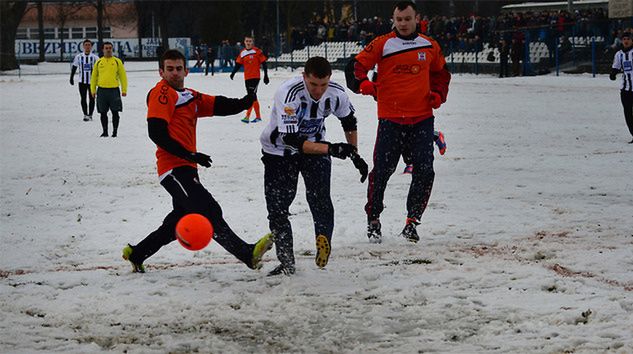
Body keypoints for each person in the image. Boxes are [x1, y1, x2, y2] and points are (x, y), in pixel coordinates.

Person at [122, 49, 274, 273]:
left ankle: (136, 253)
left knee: (177, 222)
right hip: (173, 169)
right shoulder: (162, 93)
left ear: (186, 70)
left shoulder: (189, 96)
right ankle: (247, 254)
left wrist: (245, 101)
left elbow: (217, 104)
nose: (175, 73)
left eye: (179, 69)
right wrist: (189, 155)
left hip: (185, 167)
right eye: (170, 69)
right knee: (208, 210)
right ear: (161, 72)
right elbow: (156, 132)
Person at [345, 1, 451, 244]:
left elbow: (442, 74)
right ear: (393, 20)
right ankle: (373, 220)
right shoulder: (383, 43)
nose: (403, 23)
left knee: (424, 171)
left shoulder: (430, 45)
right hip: (391, 121)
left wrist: (438, 94)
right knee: (381, 172)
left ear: (417, 18)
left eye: (407, 18)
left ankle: (412, 222)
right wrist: (365, 85)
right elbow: (355, 67)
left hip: (422, 120)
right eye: (399, 19)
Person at [260, 56, 369, 276]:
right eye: (313, 85)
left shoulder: (336, 93)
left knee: (320, 198)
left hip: (316, 147)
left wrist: (354, 153)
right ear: (304, 78)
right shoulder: (288, 94)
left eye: (323, 85)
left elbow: (349, 122)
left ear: (330, 80)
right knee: (278, 208)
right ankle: (287, 261)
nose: (318, 91)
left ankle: (323, 239)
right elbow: (292, 140)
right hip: (279, 152)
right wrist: (330, 149)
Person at [90, 42, 127, 137]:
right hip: (102, 91)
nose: (108, 50)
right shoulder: (99, 62)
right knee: (103, 112)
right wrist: (93, 90)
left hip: (114, 90)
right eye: (106, 48)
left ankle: (115, 131)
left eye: (110, 48)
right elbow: (94, 77)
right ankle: (105, 131)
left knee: (115, 112)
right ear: (103, 50)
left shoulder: (117, 61)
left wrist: (124, 90)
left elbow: (123, 76)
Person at [230, 36, 269, 123]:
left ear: (253, 42)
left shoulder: (257, 51)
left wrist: (266, 76)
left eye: (250, 41)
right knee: (252, 96)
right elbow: (238, 64)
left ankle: (249, 117)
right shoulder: (242, 53)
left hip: (255, 77)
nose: (248, 43)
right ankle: (255, 117)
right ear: (244, 42)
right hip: (247, 78)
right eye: (247, 41)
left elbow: (264, 63)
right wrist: (233, 73)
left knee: (251, 96)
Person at [610, 31, 633, 143]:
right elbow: (616, 66)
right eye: (624, 39)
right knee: (628, 112)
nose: (626, 41)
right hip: (625, 89)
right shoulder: (619, 54)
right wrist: (613, 74)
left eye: (628, 39)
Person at [70, 39, 99, 122]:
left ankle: (90, 115)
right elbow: (74, 67)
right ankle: (85, 114)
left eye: (89, 45)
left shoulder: (95, 57)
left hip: (92, 82)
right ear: (83, 46)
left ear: (91, 46)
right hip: (82, 81)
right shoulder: (79, 57)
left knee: (92, 98)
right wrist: (71, 77)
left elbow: (99, 69)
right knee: (83, 98)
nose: (87, 46)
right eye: (86, 45)